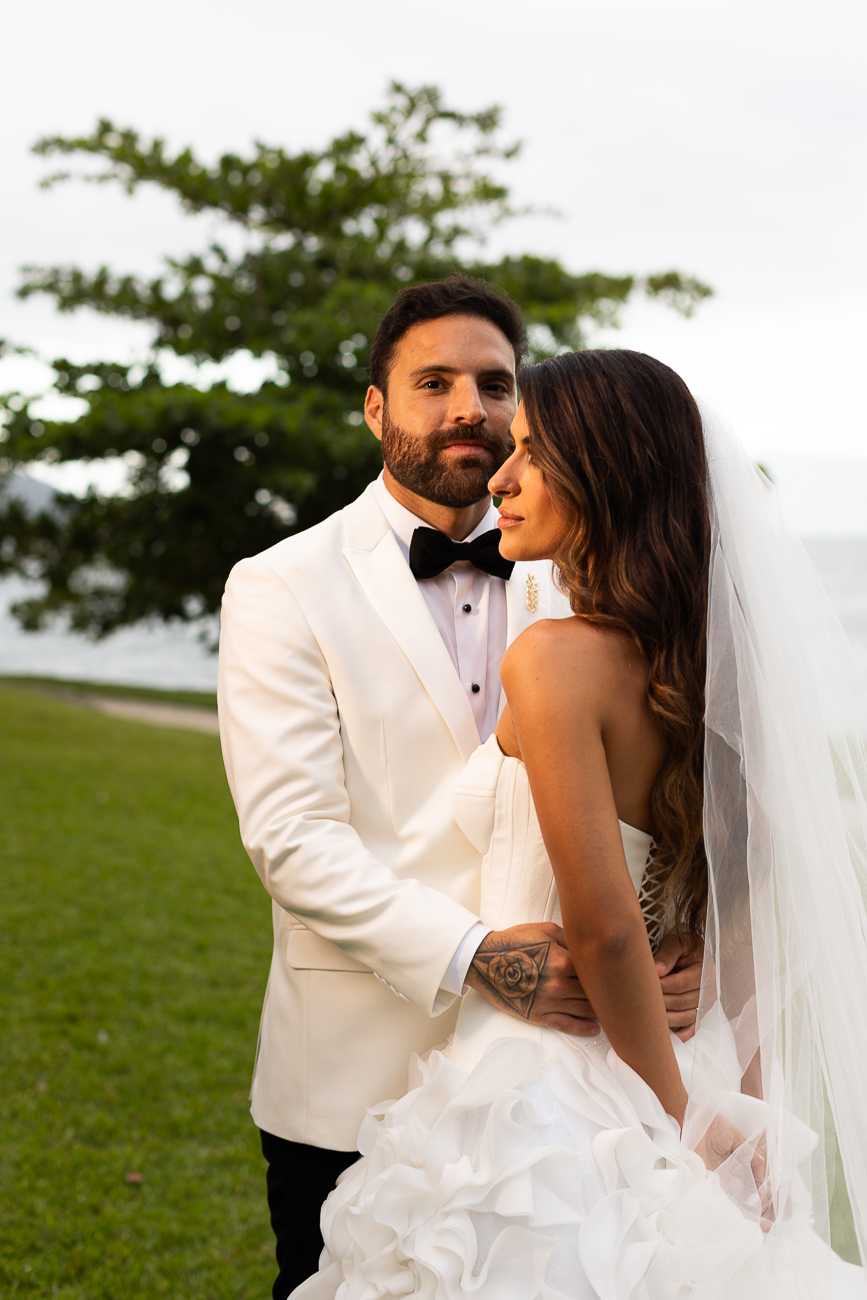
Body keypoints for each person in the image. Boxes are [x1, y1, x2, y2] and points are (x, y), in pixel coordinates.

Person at [290, 349, 867, 1299]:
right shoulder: (715, 671)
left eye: (532, 454)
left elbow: (601, 928)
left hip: (549, 1084)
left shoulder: (552, 660)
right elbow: (748, 908)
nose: (502, 477)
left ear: (607, 473)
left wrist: (678, 1122)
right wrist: (742, 1112)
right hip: (689, 1058)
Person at [217, 281, 702, 1298]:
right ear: (376, 408)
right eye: (433, 382)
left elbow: (671, 802)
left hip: (580, 1085)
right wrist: (478, 956)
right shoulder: (282, 583)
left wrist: (688, 946)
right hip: (359, 1074)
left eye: (493, 383)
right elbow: (294, 841)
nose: (469, 407)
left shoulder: (587, 581)